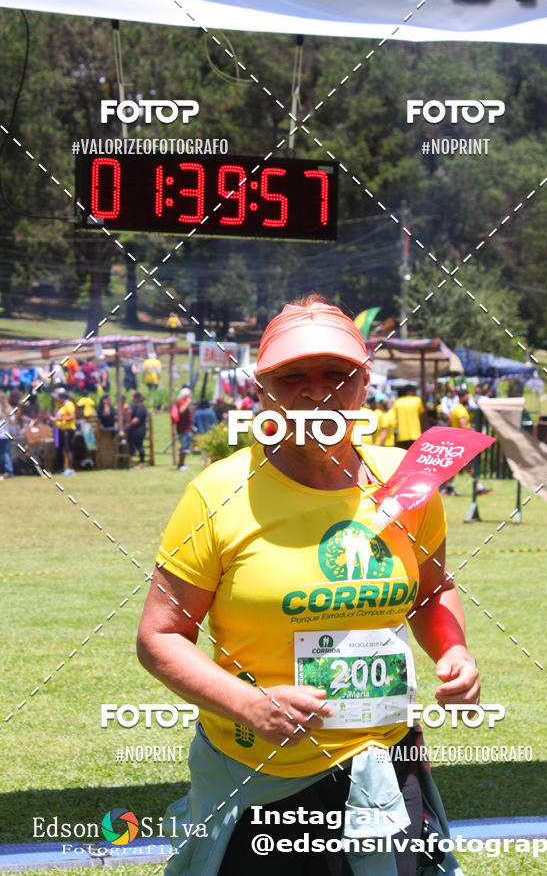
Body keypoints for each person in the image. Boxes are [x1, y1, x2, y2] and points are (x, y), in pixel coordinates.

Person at [137, 295, 476, 876]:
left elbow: (432, 591)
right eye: (292, 377)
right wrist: (250, 705)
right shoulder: (218, 492)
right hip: (259, 775)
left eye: (337, 374)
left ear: (364, 383)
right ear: (262, 390)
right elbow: (159, 637)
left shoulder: (409, 479)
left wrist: (454, 648)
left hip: (385, 761)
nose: (317, 390)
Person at [393, 385, 426, 450]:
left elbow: (394, 419)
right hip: (416, 435)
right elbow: (422, 417)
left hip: (401, 436)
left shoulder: (397, 402)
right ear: (410, 391)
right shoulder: (417, 400)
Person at [53, 388, 76, 475]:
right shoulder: (62, 405)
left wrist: (60, 418)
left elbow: (72, 416)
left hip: (69, 429)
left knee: (68, 449)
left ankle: (70, 469)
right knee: (64, 449)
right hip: (62, 429)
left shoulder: (69, 404)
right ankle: (64, 468)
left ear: (62, 398)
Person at [174, 387, 193, 470]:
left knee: (185, 447)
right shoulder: (182, 402)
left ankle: (182, 464)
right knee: (184, 447)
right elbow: (181, 411)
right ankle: (181, 465)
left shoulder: (182, 402)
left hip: (185, 428)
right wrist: (188, 403)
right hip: (183, 429)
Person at [127, 391, 148, 466]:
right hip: (136, 430)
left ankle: (142, 462)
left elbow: (136, 419)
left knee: (139, 445)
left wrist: (128, 424)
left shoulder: (141, 408)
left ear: (137, 399)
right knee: (136, 445)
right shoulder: (137, 407)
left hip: (139, 430)